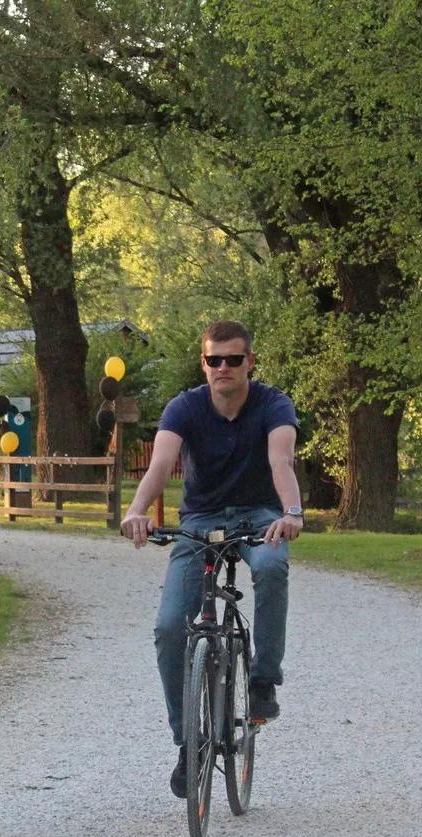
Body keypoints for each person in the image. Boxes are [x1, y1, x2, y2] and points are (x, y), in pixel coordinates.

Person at [120, 320, 303, 799]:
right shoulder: (185, 407)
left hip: (259, 515)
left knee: (269, 566)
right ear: (203, 363)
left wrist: (292, 513)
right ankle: (189, 741)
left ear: (250, 363)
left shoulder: (273, 404)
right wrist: (137, 510)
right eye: (213, 360)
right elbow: (161, 465)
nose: (223, 368)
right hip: (199, 521)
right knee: (167, 629)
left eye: (233, 359)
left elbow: (281, 462)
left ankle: (264, 680)